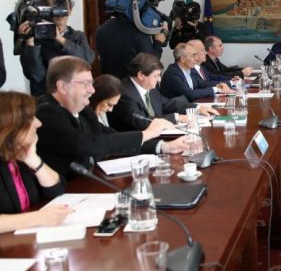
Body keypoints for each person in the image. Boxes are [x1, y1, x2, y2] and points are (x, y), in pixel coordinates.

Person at [35, 57, 177, 181]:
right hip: (67, 190)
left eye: (91, 83)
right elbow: (85, 144)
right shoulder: (45, 112)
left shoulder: (85, 111)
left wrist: (163, 146)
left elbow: (112, 138)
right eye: (85, 84)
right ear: (62, 86)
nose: (92, 90)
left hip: (92, 183)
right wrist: (146, 133)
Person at [0, 91, 72, 233]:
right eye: (30, 119)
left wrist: (34, 160)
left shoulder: (18, 156)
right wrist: (38, 218)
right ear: (10, 126)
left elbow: (56, 191)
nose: (38, 123)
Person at [110, 53, 218, 134]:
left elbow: (168, 104)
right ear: (141, 75)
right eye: (156, 76)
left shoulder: (149, 86)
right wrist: (177, 117)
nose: (159, 80)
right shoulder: (124, 93)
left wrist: (197, 108)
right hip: (136, 144)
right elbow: (141, 122)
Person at [18, 0, 95, 96]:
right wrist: (30, 40)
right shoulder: (35, 38)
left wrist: (60, 39)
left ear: (70, 11)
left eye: (64, 10)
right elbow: (36, 76)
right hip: (45, 99)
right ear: (46, 11)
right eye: (55, 10)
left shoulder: (77, 36)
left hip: (72, 97)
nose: (60, 16)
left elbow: (87, 61)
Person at [95, 14, 168, 79]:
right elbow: (151, 66)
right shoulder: (139, 35)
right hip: (131, 86)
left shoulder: (101, 30)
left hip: (108, 84)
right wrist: (158, 42)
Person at [159, 43, 230, 101]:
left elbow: (202, 85)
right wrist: (215, 89)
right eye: (193, 55)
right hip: (176, 111)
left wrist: (219, 85)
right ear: (183, 59)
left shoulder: (190, 70)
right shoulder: (172, 74)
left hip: (191, 106)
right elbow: (190, 94)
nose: (196, 58)